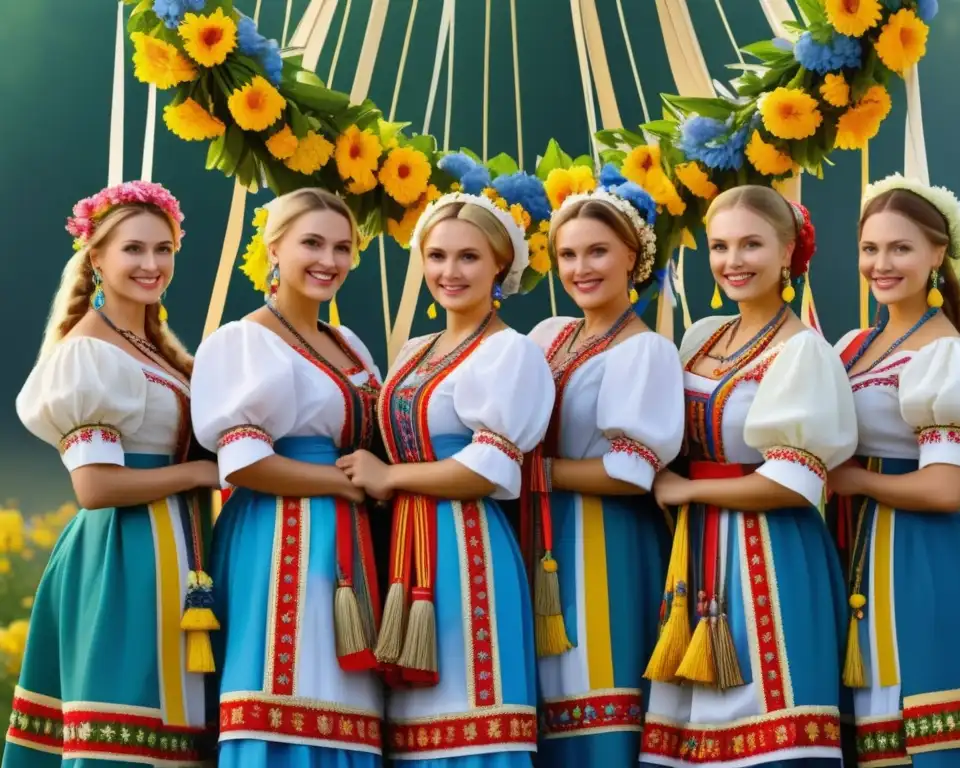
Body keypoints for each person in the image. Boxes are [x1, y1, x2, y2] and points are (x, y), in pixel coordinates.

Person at [338, 190, 554, 765]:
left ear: (500, 267)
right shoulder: (415, 349)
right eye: (436, 257)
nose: (449, 272)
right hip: (404, 546)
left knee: (471, 714)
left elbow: (491, 468)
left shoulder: (511, 352)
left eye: (468, 258)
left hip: (467, 548)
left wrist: (390, 478)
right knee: (412, 730)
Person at [6, 181, 219, 766]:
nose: (152, 264)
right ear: (96, 256)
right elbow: (94, 488)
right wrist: (198, 474)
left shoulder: (151, 346)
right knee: (125, 733)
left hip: (176, 551)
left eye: (164, 249)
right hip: (124, 558)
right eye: (133, 250)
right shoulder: (87, 354)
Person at [642, 185, 855, 767]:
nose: (733, 261)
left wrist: (688, 490)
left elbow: (794, 482)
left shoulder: (804, 352)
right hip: (696, 551)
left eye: (751, 245)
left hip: (771, 552)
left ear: (789, 252)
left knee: (766, 724)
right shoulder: (700, 336)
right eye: (719, 246)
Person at [828, 175, 960, 766]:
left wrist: (854, 480)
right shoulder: (852, 346)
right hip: (853, 551)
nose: (880, 263)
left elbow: (945, 489)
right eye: (870, 248)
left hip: (920, 558)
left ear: (938, 254)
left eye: (900, 248)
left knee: (922, 732)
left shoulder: (950, 355)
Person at [191, 188, 385, 766]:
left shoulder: (347, 343)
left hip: (346, 536)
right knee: (288, 684)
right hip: (281, 538)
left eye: (343, 248)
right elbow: (245, 462)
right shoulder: (242, 340)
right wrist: (343, 484)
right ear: (274, 248)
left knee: (345, 700)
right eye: (312, 243)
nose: (330, 260)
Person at [528, 170, 685, 766]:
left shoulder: (645, 350)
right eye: (567, 255)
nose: (580, 268)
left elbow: (630, 471)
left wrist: (535, 475)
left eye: (597, 251)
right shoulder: (548, 336)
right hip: (539, 534)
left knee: (595, 689)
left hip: (606, 539)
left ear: (632, 257)